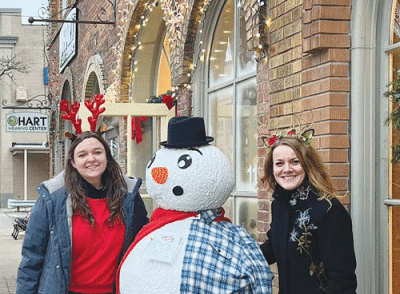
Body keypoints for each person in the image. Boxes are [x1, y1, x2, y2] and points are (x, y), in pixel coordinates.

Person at [16, 131, 149, 294]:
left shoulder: (129, 198)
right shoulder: (52, 199)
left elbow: (143, 247)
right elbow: (32, 257)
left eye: (97, 152)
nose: (91, 159)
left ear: (107, 157)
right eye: (82, 154)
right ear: (73, 162)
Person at [259, 132, 357, 294]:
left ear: (307, 164)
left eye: (295, 162)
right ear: (272, 169)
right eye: (279, 163)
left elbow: (342, 280)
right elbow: (274, 247)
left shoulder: (328, 209)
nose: (287, 169)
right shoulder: (279, 205)